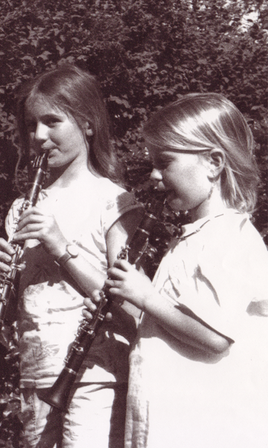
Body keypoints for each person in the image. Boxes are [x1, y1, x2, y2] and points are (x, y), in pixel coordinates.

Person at [97, 93, 268, 448]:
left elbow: (214, 335)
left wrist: (144, 295)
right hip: (174, 425)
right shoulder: (192, 238)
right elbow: (172, 324)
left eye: (166, 163)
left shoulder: (228, 237)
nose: (156, 177)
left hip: (209, 428)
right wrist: (126, 310)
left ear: (214, 162)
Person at [0, 63, 143, 448]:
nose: (38, 136)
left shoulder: (114, 201)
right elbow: (17, 302)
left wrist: (60, 246)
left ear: (88, 124)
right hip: (36, 371)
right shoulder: (24, 206)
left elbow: (126, 300)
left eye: (52, 122)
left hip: (96, 371)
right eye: (30, 124)